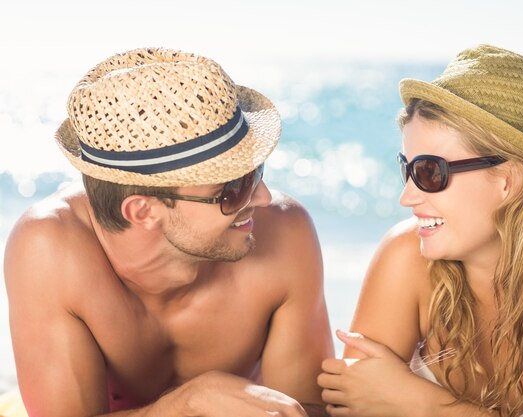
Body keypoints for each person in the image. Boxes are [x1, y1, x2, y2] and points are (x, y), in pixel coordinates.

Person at [4, 47, 333, 416]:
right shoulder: (51, 251)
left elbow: (305, 410)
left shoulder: (285, 232)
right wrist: (187, 404)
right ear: (143, 210)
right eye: (232, 189)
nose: (263, 196)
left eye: (256, 171)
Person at [318, 45, 523, 416]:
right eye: (407, 168)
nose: (406, 197)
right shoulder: (405, 257)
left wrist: (426, 405)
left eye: (430, 173)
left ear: (510, 181)